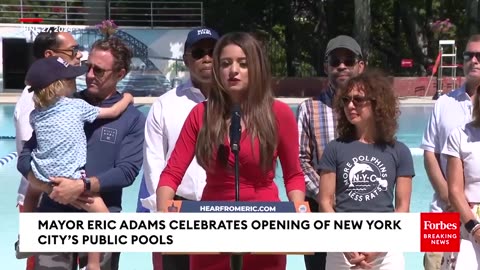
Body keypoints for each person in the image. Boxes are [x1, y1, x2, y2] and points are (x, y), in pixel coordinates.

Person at [156, 32, 305, 270]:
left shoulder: (279, 113)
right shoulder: (200, 114)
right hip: (210, 230)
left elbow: (294, 175)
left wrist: (299, 214)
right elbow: (171, 173)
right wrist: (164, 216)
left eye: (243, 64)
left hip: (265, 230)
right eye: (225, 64)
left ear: (256, 68)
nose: (233, 70)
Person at [17, 37, 146, 270]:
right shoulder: (63, 104)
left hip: (101, 220)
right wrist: (47, 186)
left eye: (99, 70)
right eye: (88, 67)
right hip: (54, 216)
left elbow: (126, 172)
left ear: (120, 73)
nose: (89, 75)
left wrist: (81, 187)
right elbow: (26, 157)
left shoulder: (132, 119)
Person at [136, 27, 219, 270]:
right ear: (186, 59)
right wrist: (163, 213)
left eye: (213, 52)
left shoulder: (236, 104)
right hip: (177, 210)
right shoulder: (165, 105)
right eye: (199, 52)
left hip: (220, 209)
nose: (207, 58)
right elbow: (154, 164)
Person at [317, 70, 414, 269]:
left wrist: (377, 248)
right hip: (341, 250)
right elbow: (325, 202)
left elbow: (403, 208)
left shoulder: (400, 152)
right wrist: (346, 246)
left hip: (386, 250)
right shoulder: (334, 149)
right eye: (346, 100)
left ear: (377, 103)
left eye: (358, 99)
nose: (350, 105)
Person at [13, 30, 83, 270]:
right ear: (50, 55)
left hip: (56, 192)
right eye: (73, 51)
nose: (79, 55)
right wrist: (51, 187)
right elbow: (29, 156)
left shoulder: (58, 97)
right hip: (42, 195)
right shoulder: (33, 99)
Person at [296, 35, 365, 270]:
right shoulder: (309, 108)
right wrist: (327, 196)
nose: (342, 66)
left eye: (348, 60)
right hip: (318, 211)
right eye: (335, 61)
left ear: (361, 65)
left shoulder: (373, 110)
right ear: (326, 66)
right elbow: (300, 161)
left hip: (363, 207)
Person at [420, 34, 480, 270]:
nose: (473, 60)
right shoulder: (443, 103)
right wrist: (451, 198)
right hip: (441, 212)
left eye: (479, 56)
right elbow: (429, 156)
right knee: (434, 266)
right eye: (469, 55)